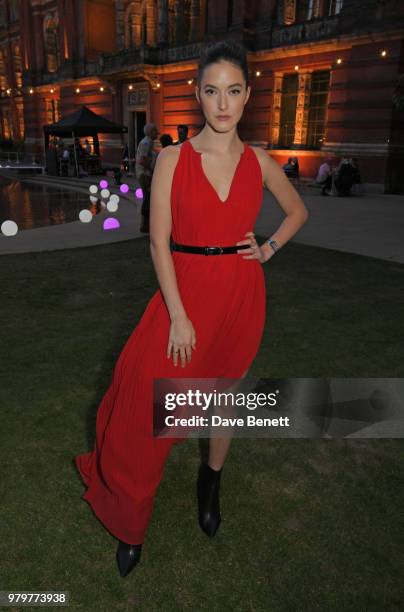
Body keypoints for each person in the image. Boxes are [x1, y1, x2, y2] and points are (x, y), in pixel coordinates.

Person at [74, 40, 309, 578]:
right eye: (211, 91)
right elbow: (159, 242)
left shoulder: (259, 160)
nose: (222, 103)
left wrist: (268, 248)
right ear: (197, 95)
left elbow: (297, 211)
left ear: (247, 96)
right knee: (145, 407)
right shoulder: (173, 158)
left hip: (241, 295)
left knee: (222, 397)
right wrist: (178, 315)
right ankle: (131, 518)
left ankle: (211, 482)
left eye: (232, 91)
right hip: (184, 294)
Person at [135, 123, 158, 233]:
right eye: (155, 131)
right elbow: (142, 160)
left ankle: (146, 224)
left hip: (145, 174)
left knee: (147, 198)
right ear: (150, 132)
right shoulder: (146, 142)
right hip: (145, 174)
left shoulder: (148, 142)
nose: (157, 133)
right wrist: (153, 169)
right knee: (147, 198)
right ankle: (144, 225)